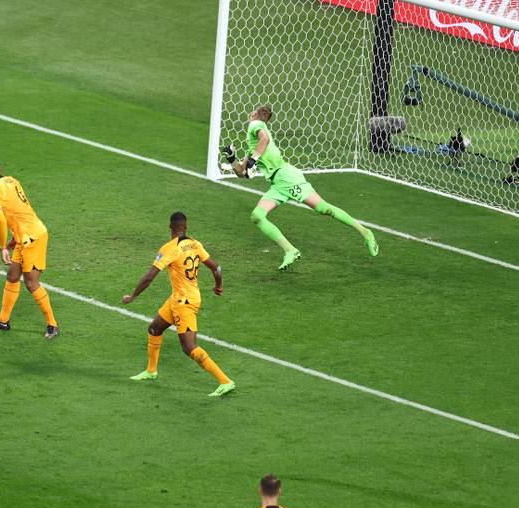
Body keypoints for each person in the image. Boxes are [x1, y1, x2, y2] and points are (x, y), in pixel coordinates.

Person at [223, 106, 378, 270]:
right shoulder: (252, 147)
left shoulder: (255, 125)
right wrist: (231, 158)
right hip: (278, 184)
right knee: (257, 216)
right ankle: (290, 250)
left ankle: (366, 232)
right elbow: (242, 173)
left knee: (324, 208)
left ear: (255, 114)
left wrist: (254, 159)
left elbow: (265, 139)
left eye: (253, 111)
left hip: (287, 177)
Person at [122, 212, 234, 397]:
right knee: (154, 329)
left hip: (185, 302)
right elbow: (216, 267)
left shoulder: (169, 248)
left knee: (189, 347)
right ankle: (151, 371)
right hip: (179, 297)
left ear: (170, 227)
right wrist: (218, 286)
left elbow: (150, 276)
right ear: (186, 227)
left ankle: (225, 381)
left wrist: (133, 296)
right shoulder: (196, 244)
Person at [0, 154, 59, 339]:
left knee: (31, 283)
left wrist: (2, 248)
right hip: (27, 233)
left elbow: (0, 219)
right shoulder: (12, 180)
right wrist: (13, 242)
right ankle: (3, 320)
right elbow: (20, 212)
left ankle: (52, 324)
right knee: (13, 276)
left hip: (32, 237)